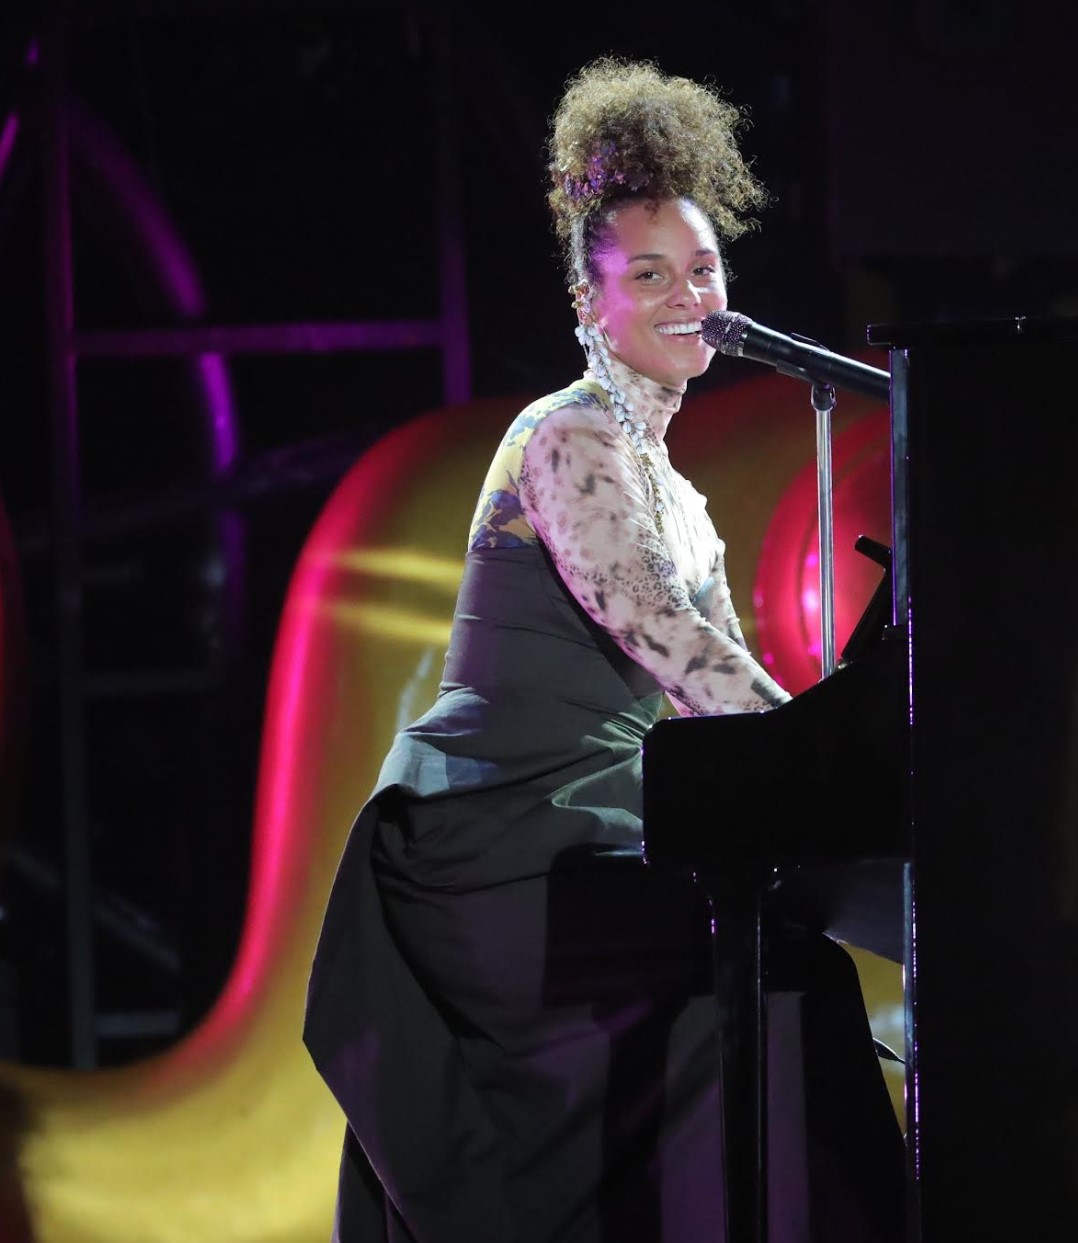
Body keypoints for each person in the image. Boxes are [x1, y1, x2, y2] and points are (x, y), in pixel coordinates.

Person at [303, 58, 905, 1242]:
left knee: (789, 971)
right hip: (494, 841)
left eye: (702, 268)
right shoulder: (566, 437)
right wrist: (840, 764)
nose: (688, 294)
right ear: (591, 307)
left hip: (595, 826)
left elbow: (724, 700)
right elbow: (669, 639)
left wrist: (839, 759)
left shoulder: (679, 492)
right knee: (781, 976)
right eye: (648, 275)